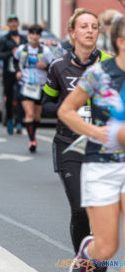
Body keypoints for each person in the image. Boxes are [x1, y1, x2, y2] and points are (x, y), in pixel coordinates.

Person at [43, 9, 112, 267]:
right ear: (72, 32)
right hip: (68, 143)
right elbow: (46, 105)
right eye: (84, 26)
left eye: (94, 26)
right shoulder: (59, 66)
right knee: (80, 207)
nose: (90, 31)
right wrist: (67, 108)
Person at [58, 16, 125, 272]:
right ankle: (87, 252)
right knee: (107, 249)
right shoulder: (99, 74)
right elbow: (66, 110)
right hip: (103, 166)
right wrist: (96, 132)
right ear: (121, 42)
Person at [14, 24, 54, 152]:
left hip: (40, 86)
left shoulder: (46, 52)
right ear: (28, 35)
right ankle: (32, 141)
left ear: (40, 36)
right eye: (32, 34)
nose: (34, 37)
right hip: (26, 85)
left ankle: (33, 133)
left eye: (37, 34)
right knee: (29, 113)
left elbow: (54, 67)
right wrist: (18, 72)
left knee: (37, 117)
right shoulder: (22, 49)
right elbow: (15, 60)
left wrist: (46, 67)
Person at [0, 15, 28, 135]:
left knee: (20, 96)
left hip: (22, 72)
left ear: (18, 24)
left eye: (15, 22)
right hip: (9, 72)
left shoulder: (23, 39)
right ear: (8, 24)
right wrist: (10, 53)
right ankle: (9, 120)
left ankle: (19, 121)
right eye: (11, 22)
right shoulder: (4, 39)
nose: (13, 24)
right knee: (8, 97)